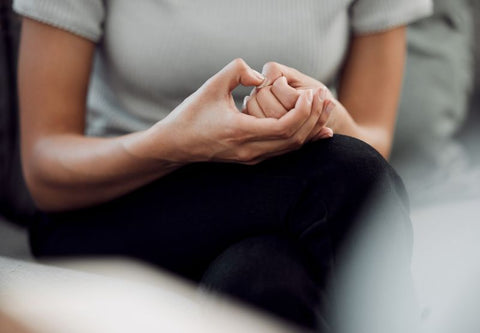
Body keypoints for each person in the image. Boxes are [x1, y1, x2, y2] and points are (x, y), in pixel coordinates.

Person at [13, 0, 432, 331]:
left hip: (275, 199)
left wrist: (326, 114)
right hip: (113, 205)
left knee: (261, 280)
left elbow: (374, 133)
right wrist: (174, 143)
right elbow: (43, 169)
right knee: (345, 174)